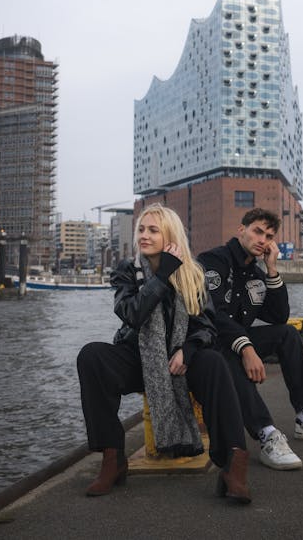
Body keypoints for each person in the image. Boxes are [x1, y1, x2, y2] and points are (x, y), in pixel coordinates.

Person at [77, 204, 251, 503]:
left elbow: (206, 326)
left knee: (215, 363)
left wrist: (188, 349)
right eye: (141, 230)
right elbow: (132, 314)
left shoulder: (194, 273)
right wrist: (162, 275)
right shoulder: (126, 271)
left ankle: (233, 463)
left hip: (180, 359)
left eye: (153, 230)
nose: (144, 235)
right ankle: (112, 457)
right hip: (138, 357)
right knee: (91, 356)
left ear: (169, 235)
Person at [198, 207, 303, 471]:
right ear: (241, 230)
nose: (262, 239)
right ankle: (266, 433)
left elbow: (278, 317)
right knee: (228, 357)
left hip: (236, 341)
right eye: (257, 231)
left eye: (268, 236)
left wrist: (271, 270)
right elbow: (213, 315)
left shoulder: (256, 273)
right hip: (208, 346)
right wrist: (246, 348)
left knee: (288, 334)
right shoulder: (213, 261)